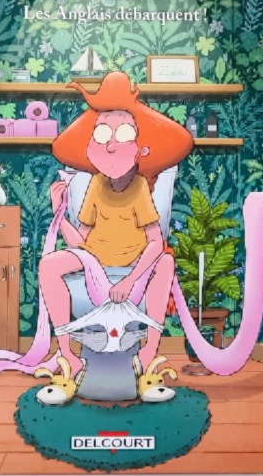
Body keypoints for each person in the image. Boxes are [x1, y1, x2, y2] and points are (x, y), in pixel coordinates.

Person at [41, 71, 194, 377]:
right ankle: (67, 354)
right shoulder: (96, 184)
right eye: (102, 134)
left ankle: (149, 351)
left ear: (138, 146)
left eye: (122, 134)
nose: (111, 144)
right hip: (94, 263)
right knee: (48, 265)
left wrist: (129, 281)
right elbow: (80, 241)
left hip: (134, 266)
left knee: (166, 261)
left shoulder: (140, 186)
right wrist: (59, 212)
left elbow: (155, 242)